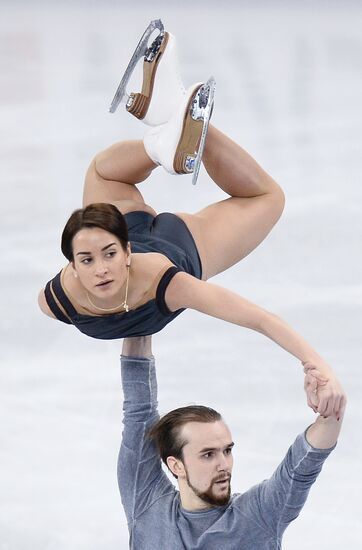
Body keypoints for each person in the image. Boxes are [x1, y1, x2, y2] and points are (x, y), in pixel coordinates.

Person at [38, 22, 343, 417]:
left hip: (177, 244)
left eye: (109, 254)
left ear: (126, 250)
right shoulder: (56, 301)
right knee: (104, 172)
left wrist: (316, 364)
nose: (100, 270)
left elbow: (258, 318)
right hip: (119, 228)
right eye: (87, 260)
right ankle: (169, 116)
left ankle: (164, 140)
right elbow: (108, 267)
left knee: (267, 199)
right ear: (73, 267)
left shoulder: (170, 282)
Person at [119, 335, 346, 549]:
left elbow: (300, 468)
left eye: (227, 451)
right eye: (208, 454)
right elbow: (139, 412)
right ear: (176, 465)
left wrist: (330, 411)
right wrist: (137, 316)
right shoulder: (147, 505)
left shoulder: (256, 516)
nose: (224, 465)